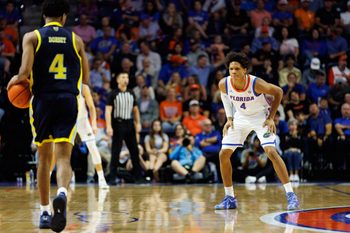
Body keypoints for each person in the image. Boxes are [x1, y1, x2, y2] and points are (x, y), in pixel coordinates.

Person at [6, 0, 89, 231]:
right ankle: (62, 193)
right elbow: (85, 80)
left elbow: (24, 73)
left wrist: (13, 82)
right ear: (64, 17)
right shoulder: (76, 40)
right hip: (68, 100)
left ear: (43, 16)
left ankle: (44, 212)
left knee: (44, 158)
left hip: (43, 101)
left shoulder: (32, 37)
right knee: (64, 156)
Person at [214, 52, 299, 210]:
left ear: (245, 69)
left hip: (261, 117)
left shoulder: (256, 83)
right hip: (240, 118)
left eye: (237, 69)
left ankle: (291, 195)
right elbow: (225, 97)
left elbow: (279, 92)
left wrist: (271, 117)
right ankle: (229, 197)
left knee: (271, 152)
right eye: (231, 69)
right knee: (223, 154)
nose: (233, 72)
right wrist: (230, 118)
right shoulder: (224, 84)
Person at [105, 72, 144, 185]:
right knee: (115, 152)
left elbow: (135, 110)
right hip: (118, 123)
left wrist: (138, 123)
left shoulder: (131, 93)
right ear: (118, 80)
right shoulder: (113, 94)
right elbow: (108, 111)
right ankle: (112, 177)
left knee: (134, 151)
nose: (125, 79)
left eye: (127, 77)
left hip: (129, 123)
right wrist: (109, 126)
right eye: (123, 77)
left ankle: (138, 177)